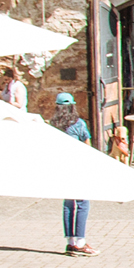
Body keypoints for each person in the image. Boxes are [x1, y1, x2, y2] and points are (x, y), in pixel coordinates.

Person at [51, 93, 96, 256]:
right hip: (77, 167)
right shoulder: (78, 124)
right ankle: (81, 242)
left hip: (62, 168)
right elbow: (87, 145)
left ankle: (70, 242)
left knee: (68, 205)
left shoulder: (53, 124)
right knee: (83, 203)